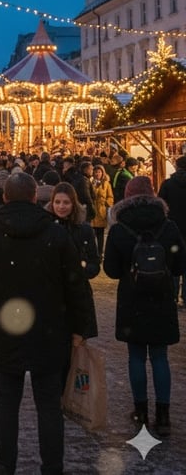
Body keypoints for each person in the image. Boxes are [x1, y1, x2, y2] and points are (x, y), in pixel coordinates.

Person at [0, 171, 95, 475]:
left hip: (5, 329)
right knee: (49, 405)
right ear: (36, 197)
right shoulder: (56, 235)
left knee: (7, 402)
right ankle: (52, 466)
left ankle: (4, 465)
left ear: (5, 197)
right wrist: (79, 328)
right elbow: (75, 286)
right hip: (49, 331)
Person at [103, 175, 186, 437]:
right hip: (161, 297)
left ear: (127, 197)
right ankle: (163, 414)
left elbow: (112, 270)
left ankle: (140, 410)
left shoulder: (118, 229)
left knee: (136, 356)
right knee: (160, 357)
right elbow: (180, 266)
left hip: (132, 298)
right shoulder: (168, 226)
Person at [47, 182, 100, 345]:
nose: (61, 207)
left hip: (78, 297)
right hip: (52, 296)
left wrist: (78, 272)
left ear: (73, 203)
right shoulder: (45, 229)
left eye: (66, 202)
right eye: (57, 202)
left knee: (78, 350)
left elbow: (94, 265)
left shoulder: (84, 230)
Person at [157, 155, 186, 306]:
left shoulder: (168, 184)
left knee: (173, 262)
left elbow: (161, 206)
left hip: (173, 229)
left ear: (177, 166)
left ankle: (173, 295)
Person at [91, 164, 114, 256]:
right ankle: (93, 252)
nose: (97, 174)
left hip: (101, 211)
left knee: (100, 235)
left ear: (102, 173)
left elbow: (110, 197)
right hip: (93, 211)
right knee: (92, 235)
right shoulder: (91, 183)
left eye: (99, 172)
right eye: (95, 172)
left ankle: (100, 253)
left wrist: (106, 203)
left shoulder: (106, 184)